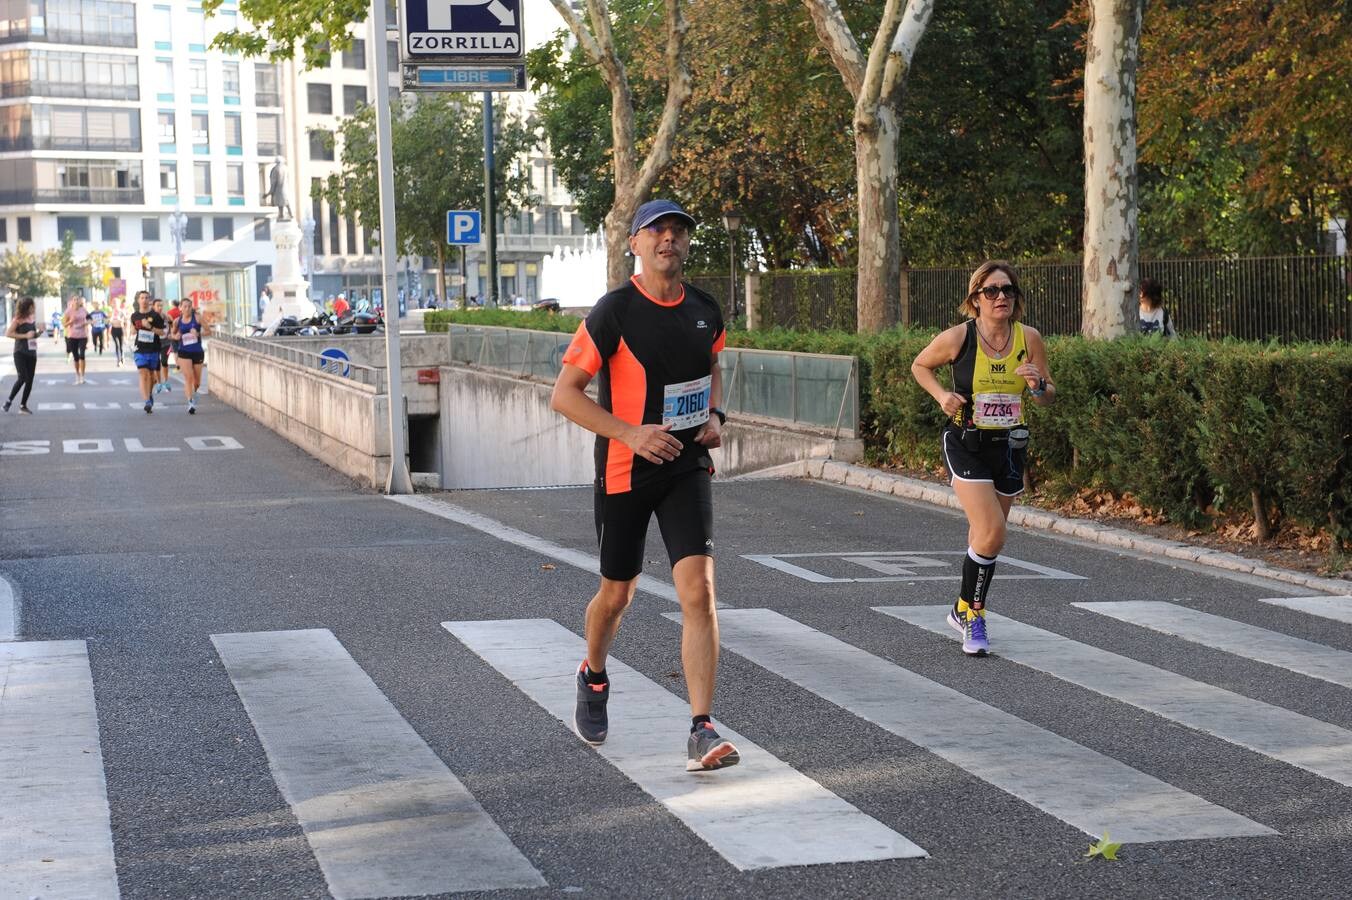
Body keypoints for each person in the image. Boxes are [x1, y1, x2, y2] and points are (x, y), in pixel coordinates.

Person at [551, 199, 739, 773]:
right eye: (657, 231)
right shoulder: (614, 312)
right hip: (625, 470)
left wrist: (715, 417)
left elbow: (713, 369)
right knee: (618, 594)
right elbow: (565, 395)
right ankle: (595, 672)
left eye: (679, 231)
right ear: (634, 243)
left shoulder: (706, 309)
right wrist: (629, 435)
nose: (670, 239)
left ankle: (701, 728)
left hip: (685, 466)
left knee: (699, 594)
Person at [910, 260, 1056, 656]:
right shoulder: (959, 337)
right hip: (965, 442)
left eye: (1007, 290)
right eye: (991, 291)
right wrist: (942, 395)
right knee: (992, 532)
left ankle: (960, 607)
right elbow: (920, 365)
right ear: (975, 299)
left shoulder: (1030, 338)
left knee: (984, 538)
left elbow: (1046, 397)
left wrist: (1038, 385)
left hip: (1009, 446)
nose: (1000, 298)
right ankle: (974, 616)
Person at [130, 291, 166, 414]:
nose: (144, 300)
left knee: (152, 377)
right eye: (142, 298)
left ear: (149, 300)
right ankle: (147, 402)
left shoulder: (155, 315)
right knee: (143, 373)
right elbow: (132, 330)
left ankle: (149, 394)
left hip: (154, 349)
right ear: (138, 300)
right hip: (139, 349)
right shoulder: (134, 316)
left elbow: (162, 333)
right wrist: (134, 329)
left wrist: (150, 327)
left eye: (146, 298)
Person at [4, 296, 40, 413]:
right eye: (32, 306)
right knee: (22, 377)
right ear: (27, 307)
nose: (34, 308)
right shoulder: (18, 319)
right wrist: (25, 336)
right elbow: (8, 333)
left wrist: (39, 333)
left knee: (30, 380)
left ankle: (23, 406)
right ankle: (8, 402)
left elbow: (32, 335)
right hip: (20, 352)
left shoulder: (32, 318)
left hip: (32, 352)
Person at [175, 301, 206, 414]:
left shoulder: (197, 318)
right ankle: (190, 402)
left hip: (197, 352)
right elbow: (172, 335)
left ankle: (194, 394)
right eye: (185, 306)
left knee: (197, 382)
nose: (187, 309)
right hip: (184, 352)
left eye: (189, 306)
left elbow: (209, 331)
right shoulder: (177, 321)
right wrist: (176, 336)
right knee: (189, 378)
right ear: (180, 308)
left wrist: (198, 334)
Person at [62, 295, 90, 384]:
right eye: (75, 300)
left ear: (80, 301)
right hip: (72, 336)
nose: (76, 301)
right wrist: (71, 321)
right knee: (76, 357)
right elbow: (64, 324)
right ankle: (77, 375)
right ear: (72, 301)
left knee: (82, 355)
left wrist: (85, 323)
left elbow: (90, 320)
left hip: (83, 336)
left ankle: (82, 376)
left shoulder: (84, 310)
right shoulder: (68, 311)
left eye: (78, 300)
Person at [153, 298, 174, 394]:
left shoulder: (167, 317)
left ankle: (166, 381)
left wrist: (171, 334)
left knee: (164, 361)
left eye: (161, 305)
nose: (160, 307)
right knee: (157, 363)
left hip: (166, 343)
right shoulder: (151, 318)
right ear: (154, 307)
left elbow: (173, 327)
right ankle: (158, 383)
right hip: (155, 343)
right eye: (158, 305)